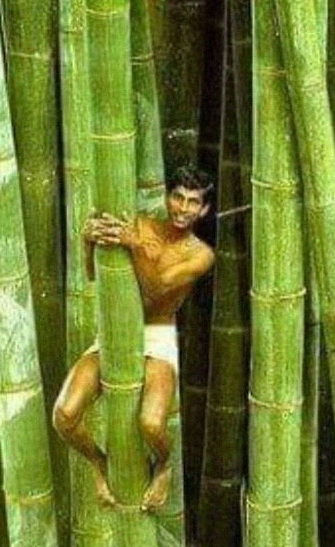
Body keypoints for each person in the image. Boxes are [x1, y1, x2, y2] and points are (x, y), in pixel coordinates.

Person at [53, 165, 215, 510]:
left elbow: (157, 290)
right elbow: (94, 276)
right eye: (178, 197)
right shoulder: (140, 224)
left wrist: (134, 245)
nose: (183, 209)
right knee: (64, 416)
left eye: (193, 202)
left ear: (204, 210)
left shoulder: (200, 254)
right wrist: (87, 242)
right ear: (168, 197)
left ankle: (164, 466)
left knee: (152, 424)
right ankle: (99, 463)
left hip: (157, 336)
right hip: (114, 330)